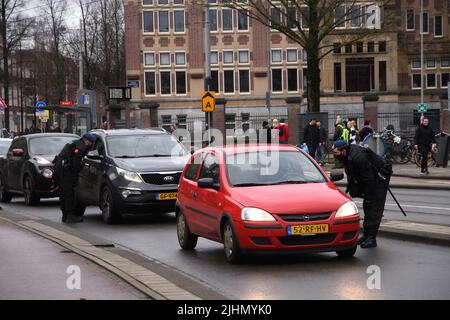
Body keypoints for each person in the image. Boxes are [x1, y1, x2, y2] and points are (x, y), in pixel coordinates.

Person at [332, 140, 392, 248]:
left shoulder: (358, 157)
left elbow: (368, 178)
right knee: (367, 206)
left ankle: (371, 238)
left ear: (344, 151)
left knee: (374, 208)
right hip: (371, 179)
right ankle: (366, 235)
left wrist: (369, 195)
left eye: (336, 153)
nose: (335, 155)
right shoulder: (349, 154)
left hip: (378, 179)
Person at [53, 133, 96, 223]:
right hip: (65, 170)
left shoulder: (75, 143)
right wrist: (77, 173)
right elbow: (76, 163)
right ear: (86, 140)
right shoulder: (81, 147)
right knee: (69, 192)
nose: (91, 144)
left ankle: (65, 215)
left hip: (60, 167)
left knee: (63, 192)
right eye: (90, 142)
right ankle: (70, 216)